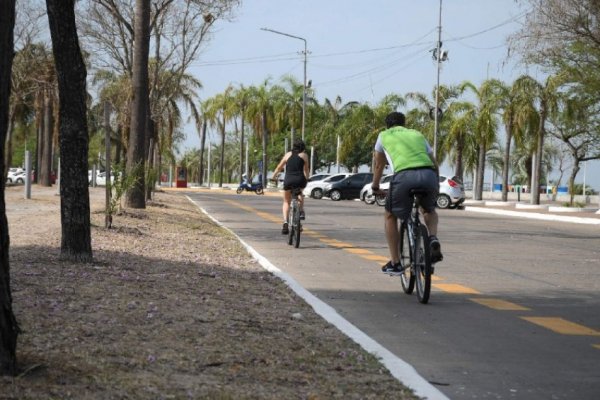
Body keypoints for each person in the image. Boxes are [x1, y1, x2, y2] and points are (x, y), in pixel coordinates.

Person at [371, 111, 442, 275]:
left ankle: (395, 262)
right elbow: (435, 164)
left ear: (387, 125)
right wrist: (435, 184)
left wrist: (375, 186)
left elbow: (379, 166)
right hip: (428, 174)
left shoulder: (383, 136)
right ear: (404, 123)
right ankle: (432, 238)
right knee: (429, 209)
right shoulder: (418, 134)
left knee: (390, 214)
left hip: (404, 176)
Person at [272, 139, 309, 234]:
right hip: (300, 179)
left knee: (286, 202)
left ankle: (285, 222)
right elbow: (306, 170)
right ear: (303, 148)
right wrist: (307, 178)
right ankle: (300, 211)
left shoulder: (288, 155)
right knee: (300, 192)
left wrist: (273, 176)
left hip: (288, 180)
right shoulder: (304, 156)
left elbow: (279, 167)